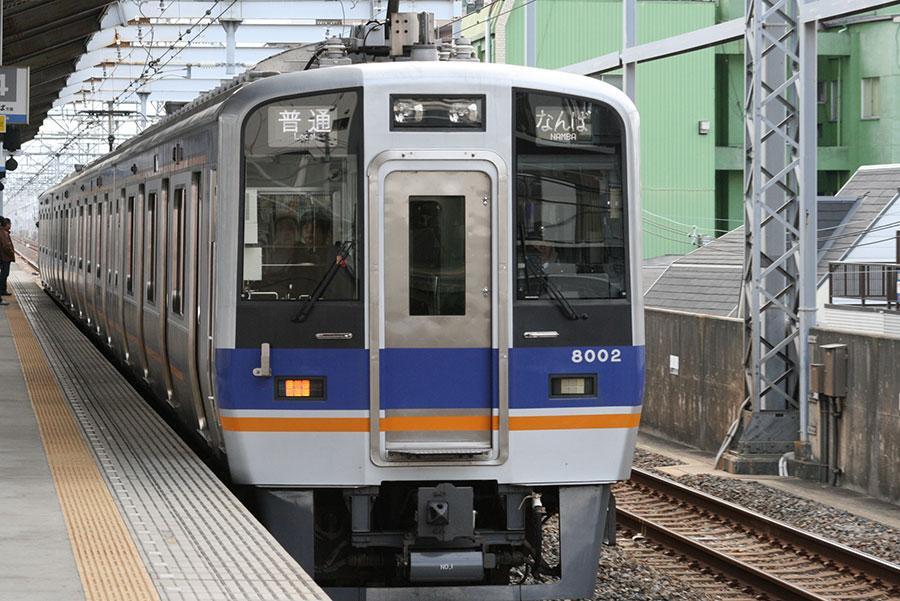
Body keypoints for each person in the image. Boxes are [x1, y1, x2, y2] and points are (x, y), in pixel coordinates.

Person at [0, 217, 15, 305]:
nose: (10, 226)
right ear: (5, 224)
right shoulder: (3, 233)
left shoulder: (3, 232)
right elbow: (6, 246)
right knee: (4, 274)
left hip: (4, 257)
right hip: (5, 257)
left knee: (4, 274)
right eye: (9, 224)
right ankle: (2, 290)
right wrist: (11, 253)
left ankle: (3, 290)